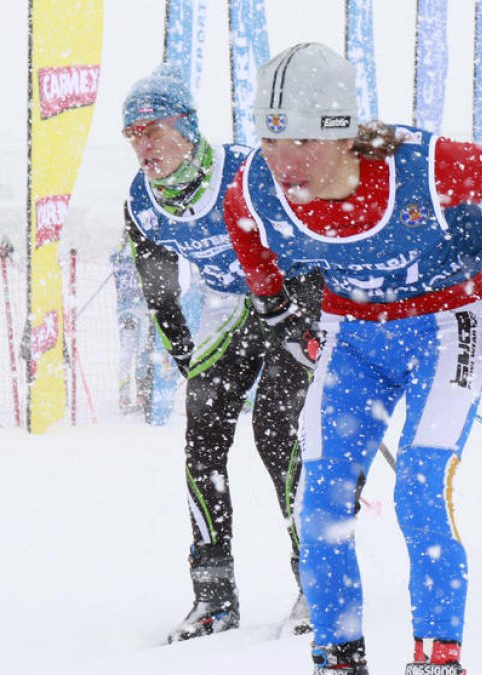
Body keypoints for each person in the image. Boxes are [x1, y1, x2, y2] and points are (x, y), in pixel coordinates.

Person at [224, 43, 482, 675]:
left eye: (300, 143)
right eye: (268, 141)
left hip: (443, 328)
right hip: (353, 336)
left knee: (420, 491)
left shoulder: (423, 169)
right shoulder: (259, 185)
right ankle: (337, 659)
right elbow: (242, 223)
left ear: (343, 137)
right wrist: (272, 304)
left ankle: (437, 659)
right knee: (319, 506)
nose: (282, 162)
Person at [120, 64, 322, 643]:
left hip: (292, 292)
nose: (143, 146)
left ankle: (318, 579)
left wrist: (318, 310)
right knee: (202, 432)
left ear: (186, 126)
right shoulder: (142, 202)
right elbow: (157, 286)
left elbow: (316, 232)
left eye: (153, 130)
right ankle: (213, 597)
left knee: (274, 426)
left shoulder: (246, 172)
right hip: (231, 304)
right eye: (133, 135)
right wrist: (184, 351)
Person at [109, 233, 146, 414]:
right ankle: (130, 393)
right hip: (132, 308)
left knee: (135, 350)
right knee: (135, 350)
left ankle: (134, 392)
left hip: (135, 308)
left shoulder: (121, 253)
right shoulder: (125, 252)